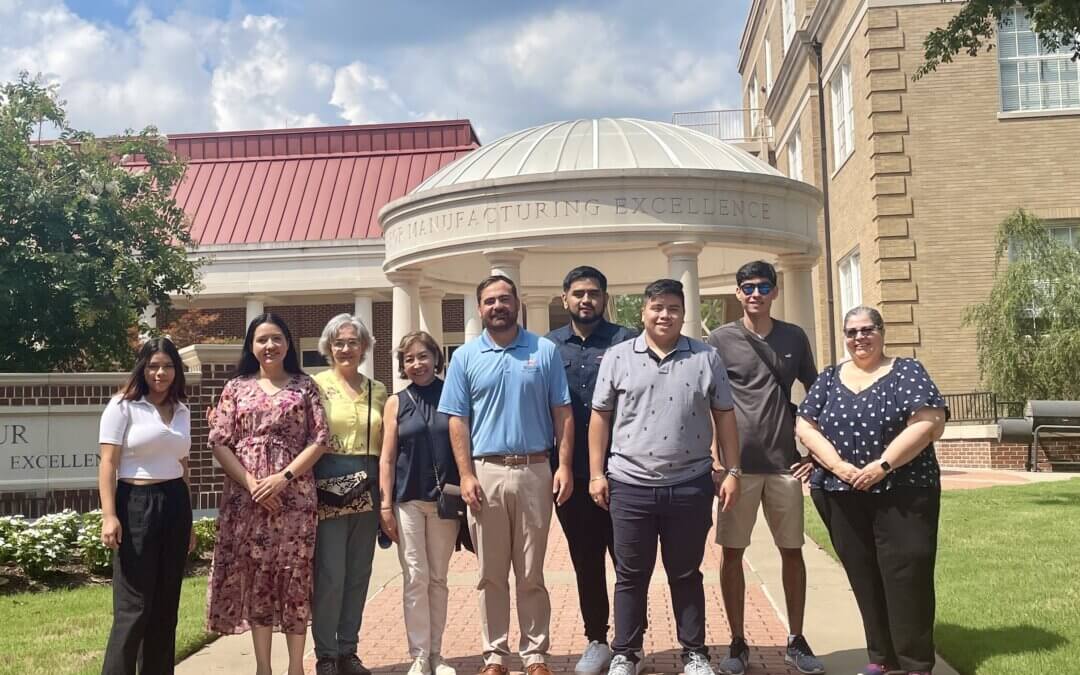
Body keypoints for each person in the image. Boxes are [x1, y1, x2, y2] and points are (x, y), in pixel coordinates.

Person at [589, 278, 742, 675]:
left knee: (687, 572)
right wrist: (595, 474)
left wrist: (731, 470)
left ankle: (694, 652)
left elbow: (724, 415)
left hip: (690, 483)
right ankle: (626, 652)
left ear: (683, 314)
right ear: (643, 312)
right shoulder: (618, 357)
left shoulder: (705, 357)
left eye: (673, 308)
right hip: (629, 484)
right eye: (657, 307)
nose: (665, 315)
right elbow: (600, 418)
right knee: (630, 575)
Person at [796, 307, 948, 675]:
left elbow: (930, 422)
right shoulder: (831, 377)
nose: (859, 338)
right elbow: (804, 425)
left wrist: (883, 465)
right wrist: (838, 467)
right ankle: (881, 657)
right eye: (851, 332)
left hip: (904, 489)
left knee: (907, 573)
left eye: (867, 330)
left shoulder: (906, 371)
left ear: (882, 332)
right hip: (841, 491)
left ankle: (915, 663)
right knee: (864, 574)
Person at [438, 274, 574, 675]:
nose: (497, 306)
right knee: (490, 573)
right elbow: (457, 422)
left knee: (531, 570)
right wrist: (465, 474)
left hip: (535, 469)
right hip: (487, 472)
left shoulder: (544, 351)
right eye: (489, 301)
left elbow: (562, 413)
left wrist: (564, 465)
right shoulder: (465, 357)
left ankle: (535, 654)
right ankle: (494, 653)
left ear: (517, 304)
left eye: (504, 299)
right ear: (480, 309)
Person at [706, 261, 824, 675]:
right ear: (737, 293)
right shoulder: (719, 340)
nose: (754, 293)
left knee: (792, 551)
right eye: (747, 287)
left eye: (762, 287)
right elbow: (705, 401)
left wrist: (813, 454)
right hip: (737, 471)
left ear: (774, 292)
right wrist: (716, 460)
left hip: (785, 467)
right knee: (732, 553)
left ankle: (796, 638)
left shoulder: (794, 337)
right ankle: (738, 642)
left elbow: (817, 393)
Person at [207, 313, 330, 675]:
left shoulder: (305, 386)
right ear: (251, 346)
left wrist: (283, 478)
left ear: (288, 344)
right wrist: (253, 484)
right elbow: (219, 441)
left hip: (295, 499)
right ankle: (263, 667)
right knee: (258, 576)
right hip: (247, 500)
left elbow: (320, 439)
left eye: (276, 338)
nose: (269, 346)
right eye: (262, 340)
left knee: (293, 577)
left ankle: (295, 667)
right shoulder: (235, 388)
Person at [544, 266, 636, 675]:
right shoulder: (547, 348)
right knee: (585, 560)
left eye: (594, 293)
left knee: (627, 562)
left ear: (604, 298)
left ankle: (630, 645)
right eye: (578, 293)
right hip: (569, 477)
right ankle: (597, 639)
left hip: (622, 472)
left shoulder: (627, 341)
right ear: (564, 298)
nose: (586, 300)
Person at [98, 337, 194, 675]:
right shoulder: (123, 406)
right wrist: (109, 516)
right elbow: (108, 463)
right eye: (153, 365)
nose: (161, 372)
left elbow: (182, 465)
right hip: (135, 503)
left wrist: (190, 522)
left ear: (176, 370)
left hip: (175, 504)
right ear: (142, 368)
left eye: (168, 366)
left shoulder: (182, 408)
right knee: (134, 606)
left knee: (166, 606)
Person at [311, 314, 389, 675]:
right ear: (328, 347)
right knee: (330, 573)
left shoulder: (379, 390)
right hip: (328, 483)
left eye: (353, 342)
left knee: (359, 572)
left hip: (369, 486)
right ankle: (326, 653)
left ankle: (348, 651)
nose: (346, 349)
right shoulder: (315, 386)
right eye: (339, 343)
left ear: (364, 347)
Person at [379, 331, 460, 675]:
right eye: (409, 359)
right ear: (402, 365)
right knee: (415, 576)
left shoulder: (453, 394)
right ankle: (419, 656)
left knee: (438, 578)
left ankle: (438, 655)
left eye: (423, 356)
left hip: (444, 501)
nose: (417, 364)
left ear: (436, 358)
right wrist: (384, 505)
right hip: (407, 500)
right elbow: (386, 457)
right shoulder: (395, 402)